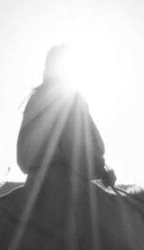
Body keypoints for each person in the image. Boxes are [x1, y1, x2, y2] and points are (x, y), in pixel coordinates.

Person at [17, 44, 116, 188]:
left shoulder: (34, 99)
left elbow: (24, 155)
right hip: (65, 185)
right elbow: (74, 145)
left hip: (33, 182)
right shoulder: (71, 98)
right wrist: (101, 170)